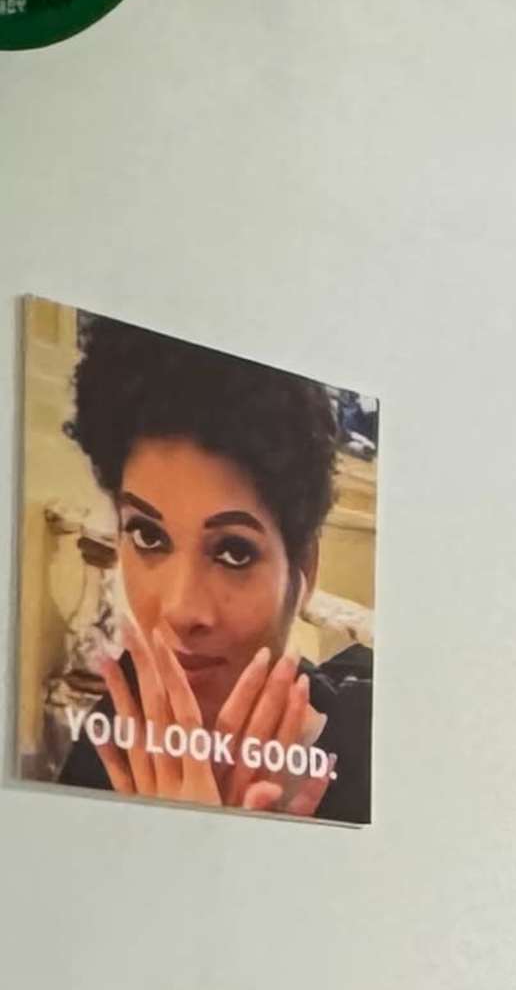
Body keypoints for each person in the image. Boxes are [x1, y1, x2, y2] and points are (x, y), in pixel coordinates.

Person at [42, 317, 372, 822]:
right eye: (149, 537)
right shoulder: (120, 724)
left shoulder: (378, 752)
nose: (180, 610)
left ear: (303, 567)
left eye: (234, 552)